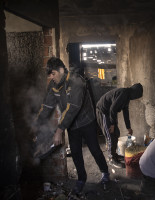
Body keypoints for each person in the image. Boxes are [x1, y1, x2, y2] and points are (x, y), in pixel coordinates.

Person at [35, 57, 109, 197]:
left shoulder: (77, 81)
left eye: (53, 74)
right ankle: (81, 179)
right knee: (75, 153)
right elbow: (47, 107)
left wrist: (59, 130)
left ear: (61, 70)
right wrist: (35, 126)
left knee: (94, 149)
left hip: (87, 121)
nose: (51, 77)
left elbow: (72, 108)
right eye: (49, 75)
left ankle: (105, 172)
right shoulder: (54, 85)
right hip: (72, 125)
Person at [96, 83, 143, 168]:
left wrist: (128, 127)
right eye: (137, 96)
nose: (135, 98)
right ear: (135, 93)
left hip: (109, 113)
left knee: (116, 133)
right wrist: (112, 124)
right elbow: (112, 109)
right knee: (110, 135)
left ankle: (115, 154)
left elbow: (126, 113)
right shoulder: (123, 94)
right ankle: (111, 159)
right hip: (103, 112)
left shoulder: (127, 97)